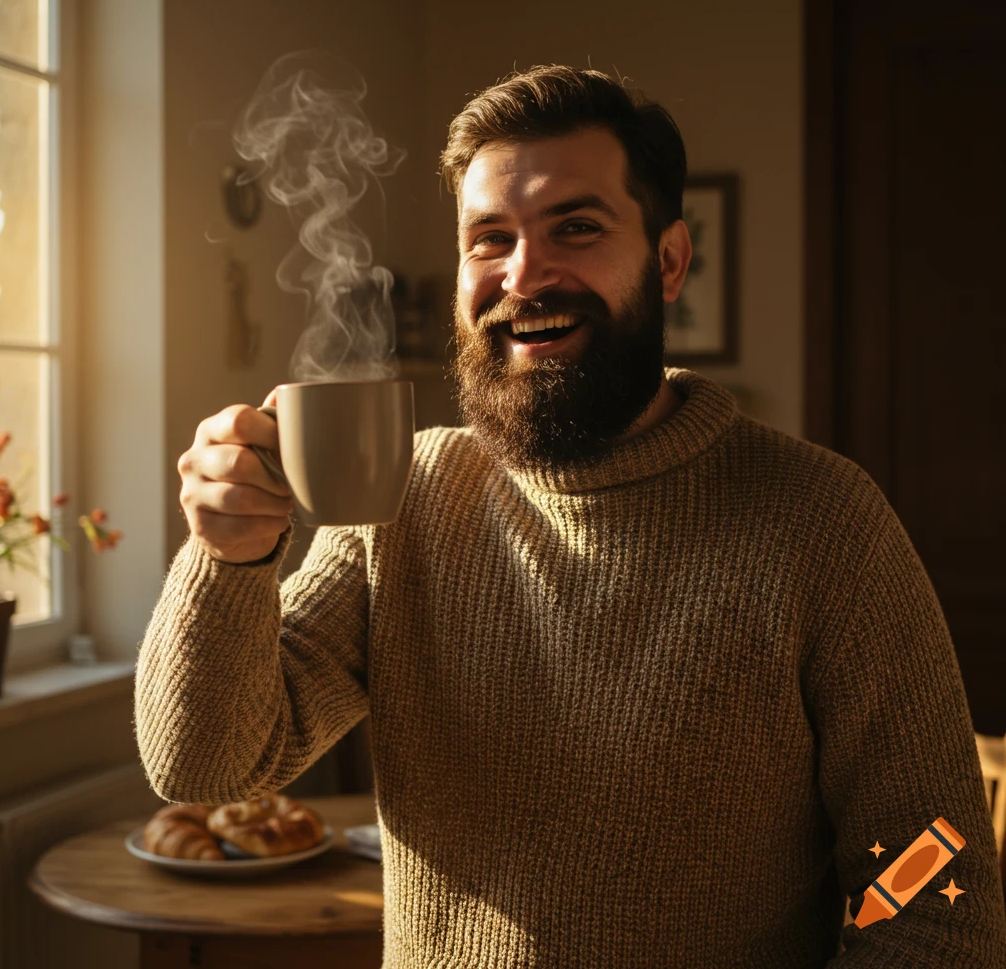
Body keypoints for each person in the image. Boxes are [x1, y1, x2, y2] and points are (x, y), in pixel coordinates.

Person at [135, 65, 1006, 967]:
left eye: (576, 228)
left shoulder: (822, 519)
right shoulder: (405, 498)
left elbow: (928, 881)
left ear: (668, 260)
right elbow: (208, 770)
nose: (525, 274)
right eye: (489, 238)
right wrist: (227, 557)